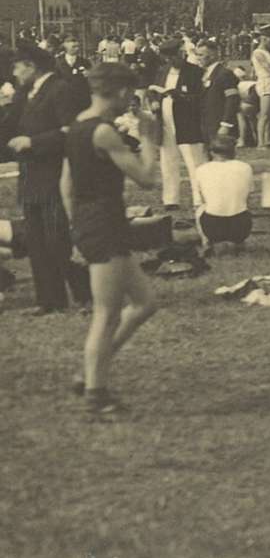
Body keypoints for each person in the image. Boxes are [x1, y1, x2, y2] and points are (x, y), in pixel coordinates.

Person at [64, 63, 164, 417]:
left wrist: (76, 227)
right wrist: (151, 139)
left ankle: (90, 372)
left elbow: (67, 184)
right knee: (106, 314)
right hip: (104, 222)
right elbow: (147, 178)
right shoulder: (104, 132)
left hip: (95, 220)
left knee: (145, 303)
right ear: (121, 92)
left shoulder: (77, 125)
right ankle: (96, 394)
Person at [5, 44, 89, 314]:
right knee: (37, 242)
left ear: (32, 66)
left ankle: (86, 293)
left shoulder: (59, 89)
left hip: (55, 175)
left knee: (57, 240)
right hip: (30, 178)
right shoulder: (23, 94)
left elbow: (70, 132)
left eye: (17, 66)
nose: (14, 72)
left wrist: (33, 142)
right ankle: (49, 300)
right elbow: (8, 130)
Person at [153, 40, 208, 211]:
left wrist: (179, 96)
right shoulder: (162, 72)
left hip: (187, 120)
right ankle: (170, 199)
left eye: (178, 55)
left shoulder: (194, 72)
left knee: (194, 160)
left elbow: (200, 98)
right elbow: (156, 90)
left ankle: (199, 198)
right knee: (168, 160)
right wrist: (155, 100)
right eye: (170, 57)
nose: (175, 59)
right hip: (166, 120)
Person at [192, 134, 254, 255]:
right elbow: (248, 196)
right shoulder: (245, 167)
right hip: (241, 226)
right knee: (241, 204)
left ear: (212, 152)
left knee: (200, 208)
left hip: (213, 226)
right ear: (233, 151)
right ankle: (239, 242)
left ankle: (207, 243)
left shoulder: (201, 170)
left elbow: (197, 201)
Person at [249, 33, 270, 147]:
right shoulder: (258, 53)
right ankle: (260, 142)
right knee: (264, 114)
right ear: (264, 39)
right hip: (265, 82)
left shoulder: (267, 53)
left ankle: (268, 140)